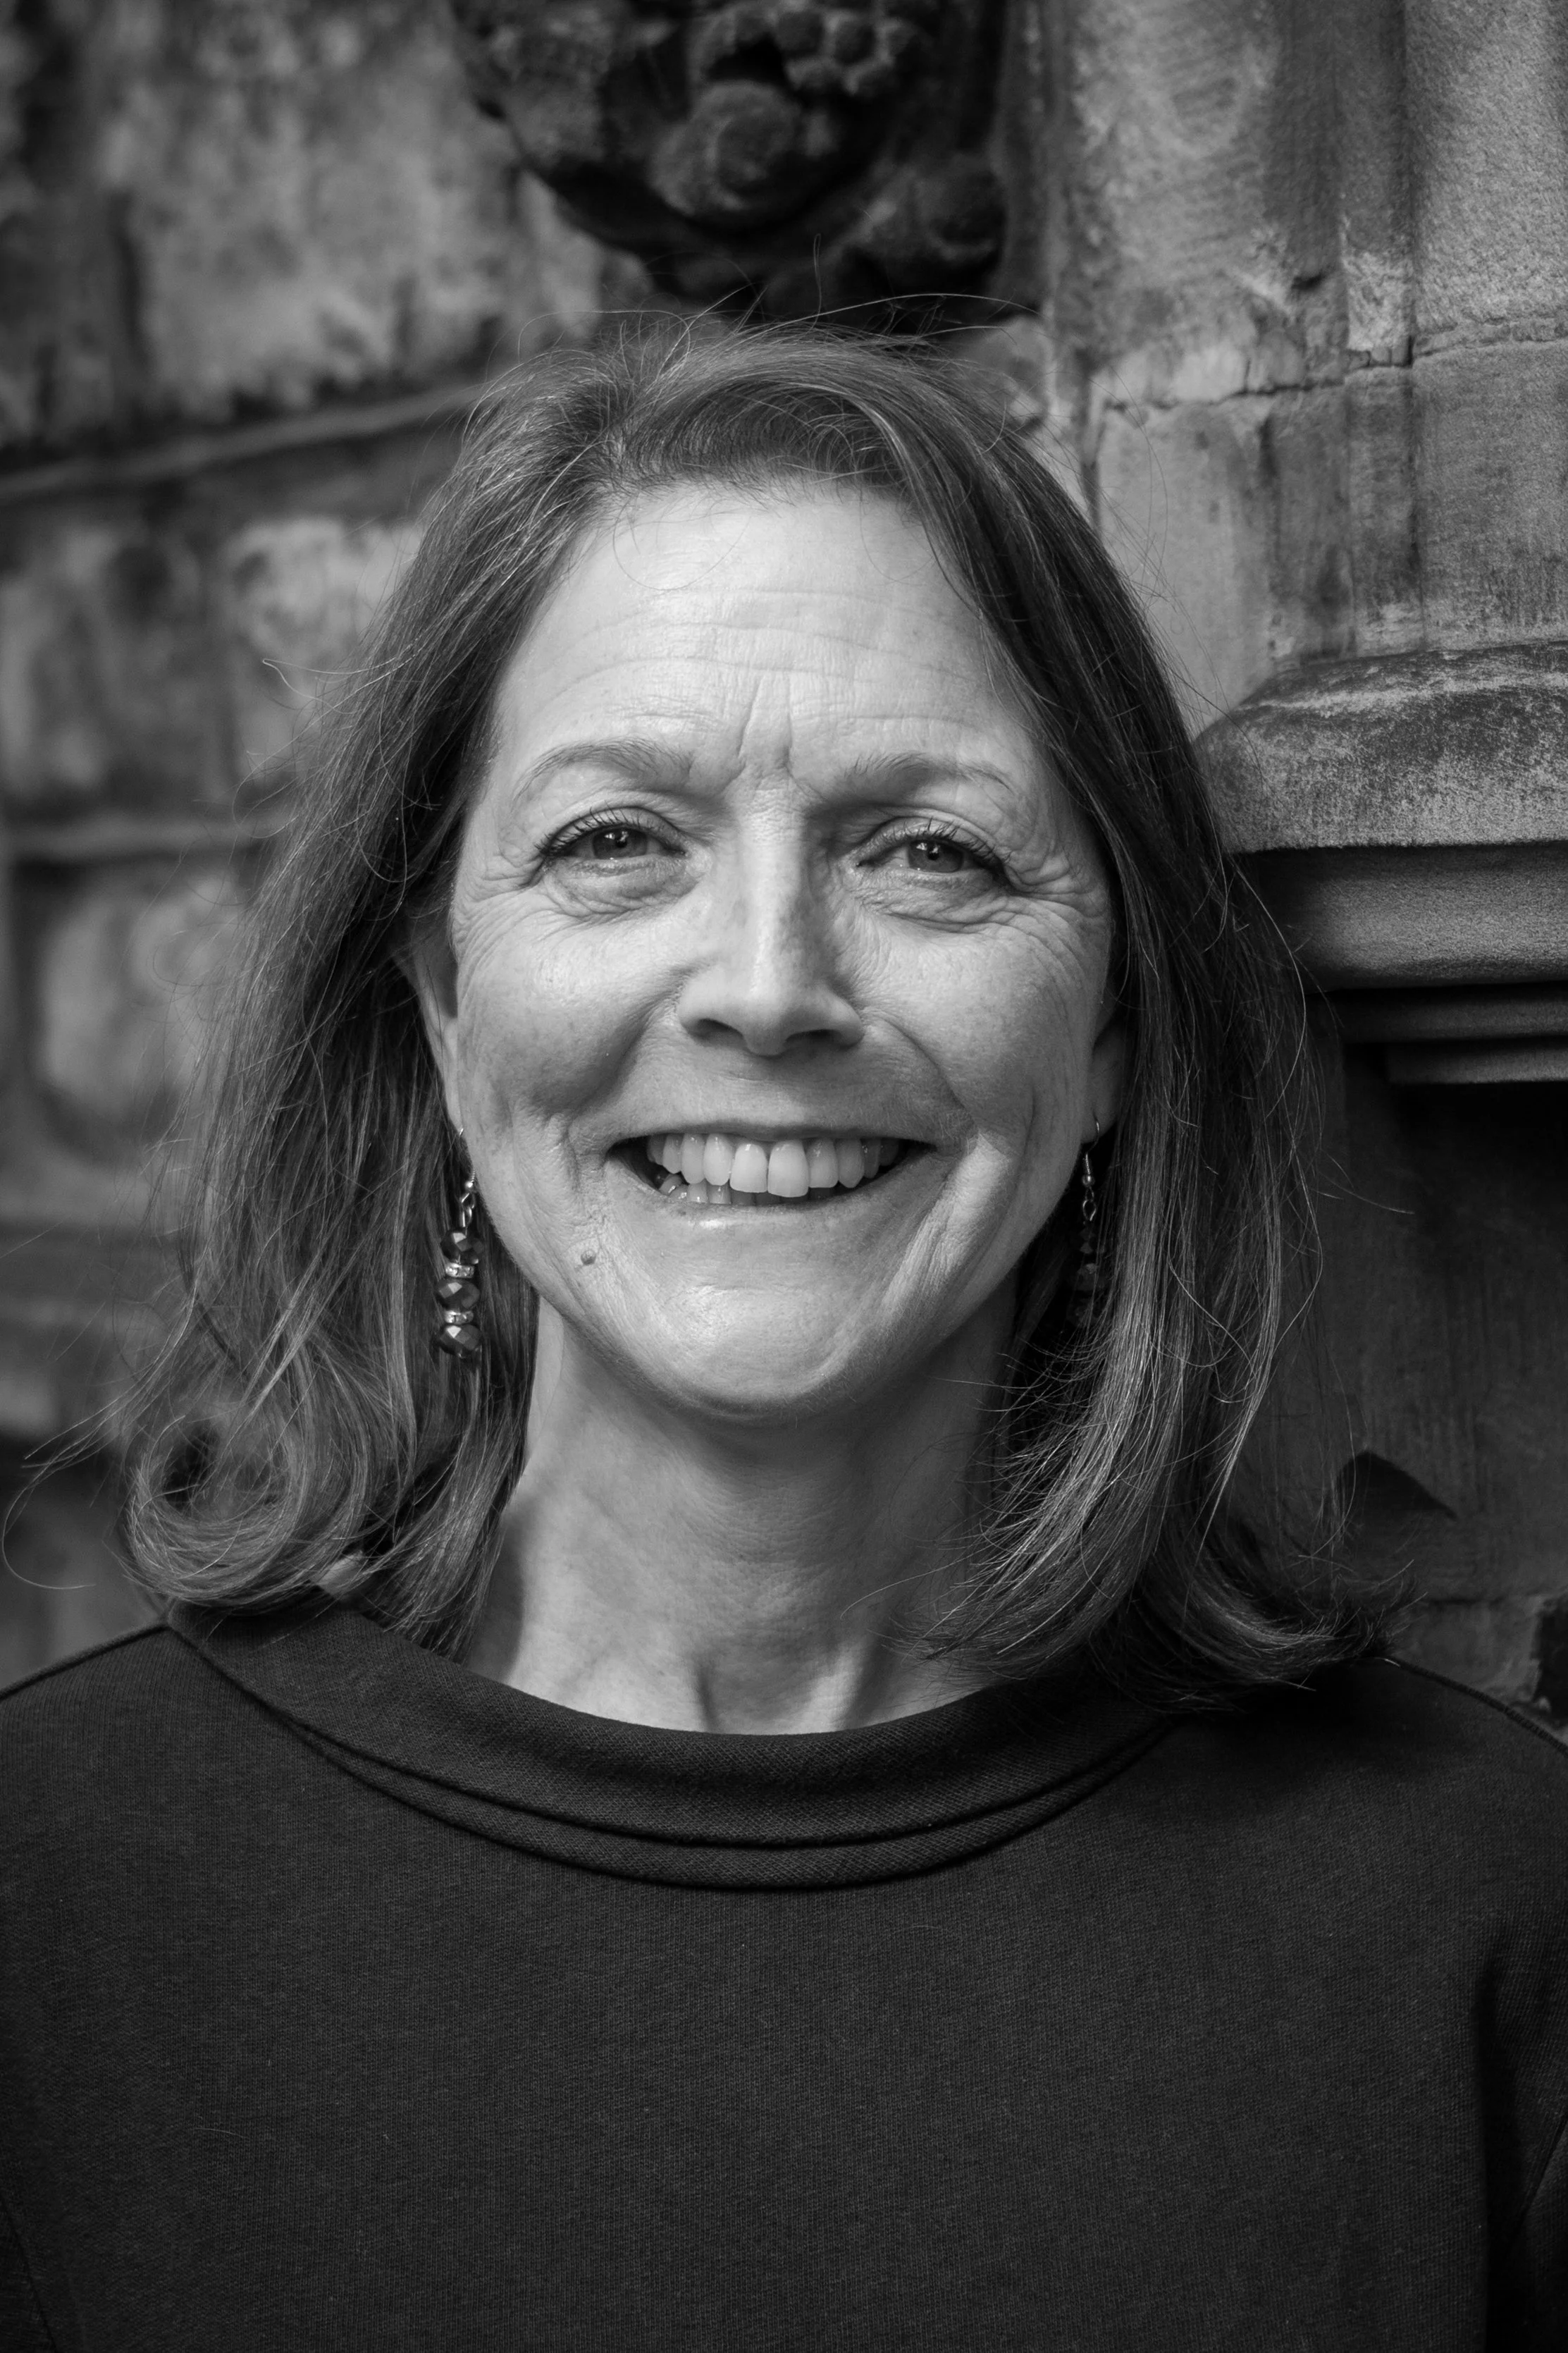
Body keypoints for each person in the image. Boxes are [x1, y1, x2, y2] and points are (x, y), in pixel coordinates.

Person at [1, 327, 1564, 2350]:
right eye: (613, 841)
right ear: (443, 1006)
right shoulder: (50, 1909)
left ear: (1106, 1030)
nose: (768, 988)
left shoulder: (1482, 1920)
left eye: (930, 851)